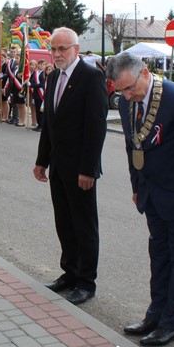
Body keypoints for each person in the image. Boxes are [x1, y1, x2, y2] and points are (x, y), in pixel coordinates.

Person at [108, 53, 174, 347]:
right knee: (159, 256)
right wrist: (136, 185)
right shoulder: (127, 101)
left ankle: (172, 323)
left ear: (145, 72)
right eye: (121, 91)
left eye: (130, 88)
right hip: (152, 194)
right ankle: (155, 315)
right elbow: (132, 146)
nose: (127, 96)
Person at [33, 27, 107, 305]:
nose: (57, 54)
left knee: (83, 225)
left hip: (80, 170)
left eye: (62, 48)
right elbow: (49, 124)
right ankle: (70, 273)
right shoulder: (53, 77)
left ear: (76, 49)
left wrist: (89, 169)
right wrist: (41, 161)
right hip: (58, 167)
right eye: (53, 49)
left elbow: (96, 127)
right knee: (64, 222)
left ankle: (86, 282)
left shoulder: (91, 77)